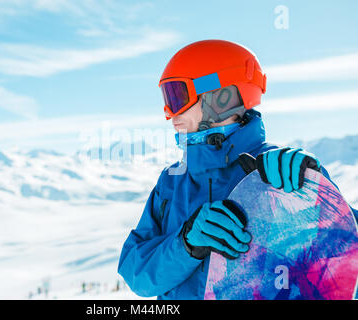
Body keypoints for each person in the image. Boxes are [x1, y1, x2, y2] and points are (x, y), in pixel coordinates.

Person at [117, 40, 358, 300]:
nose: (169, 112)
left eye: (177, 96)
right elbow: (136, 275)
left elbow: (345, 267)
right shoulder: (171, 183)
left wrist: (317, 193)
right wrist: (185, 244)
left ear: (220, 97)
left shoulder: (280, 172)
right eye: (167, 99)